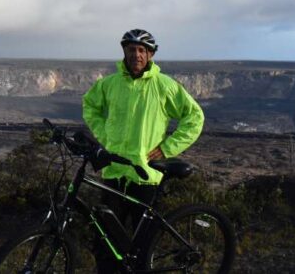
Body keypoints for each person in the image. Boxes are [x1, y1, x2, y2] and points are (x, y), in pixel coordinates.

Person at [82, 28, 204, 234]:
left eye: (141, 50)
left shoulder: (164, 85)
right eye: (131, 49)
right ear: (124, 51)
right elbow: (90, 105)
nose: (136, 55)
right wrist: (104, 135)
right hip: (114, 173)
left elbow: (195, 117)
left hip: (146, 175)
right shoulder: (110, 84)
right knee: (106, 240)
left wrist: (167, 148)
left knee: (144, 241)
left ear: (150, 54)